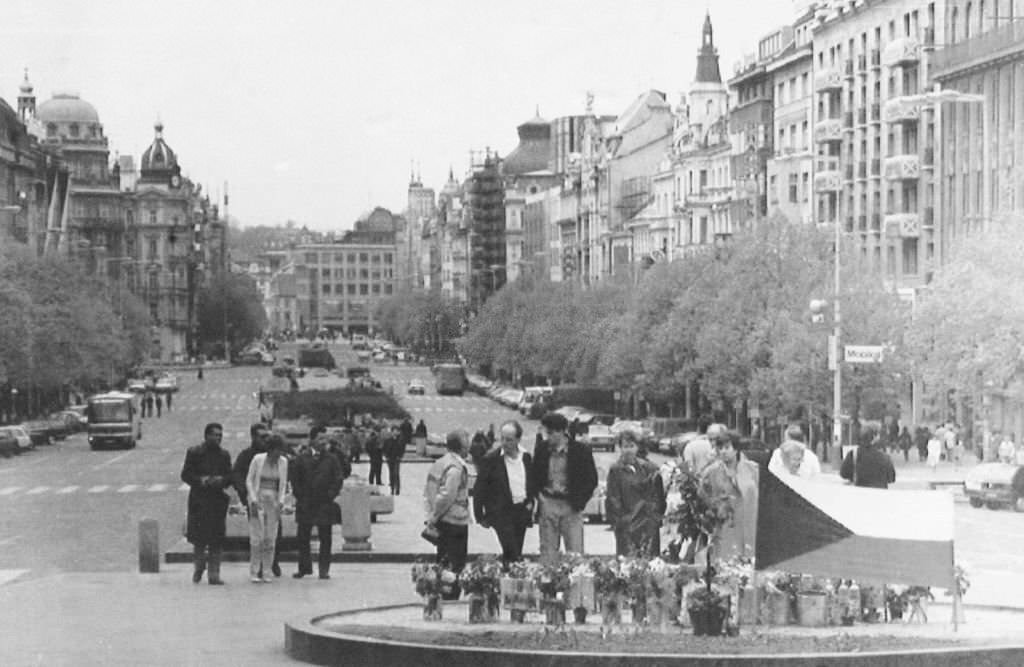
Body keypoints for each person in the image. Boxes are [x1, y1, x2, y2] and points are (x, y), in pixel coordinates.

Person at [532, 412, 598, 563]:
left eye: (550, 433)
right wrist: (539, 497)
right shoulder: (542, 449)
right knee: (548, 554)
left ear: (561, 432)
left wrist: (580, 502)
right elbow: (534, 476)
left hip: (571, 505)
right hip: (548, 503)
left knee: (575, 554)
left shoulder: (580, 451)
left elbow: (591, 479)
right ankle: (548, 584)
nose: (547, 437)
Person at [473, 421, 535, 565]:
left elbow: (531, 481)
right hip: (501, 513)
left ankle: (509, 581)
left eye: (509, 440)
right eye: (502, 439)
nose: (505, 443)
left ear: (518, 440)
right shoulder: (491, 459)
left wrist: (530, 502)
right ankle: (511, 577)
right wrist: (480, 515)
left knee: (516, 551)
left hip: (521, 511)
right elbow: (480, 488)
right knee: (511, 551)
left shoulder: (526, 457)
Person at [180, 423, 233, 585]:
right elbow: (185, 475)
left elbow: (230, 476)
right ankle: (199, 566)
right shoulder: (194, 452)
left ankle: (214, 574)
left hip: (216, 500)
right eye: (215, 435)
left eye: (220, 435)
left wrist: (221, 481)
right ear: (206, 436)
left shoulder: (224, 455)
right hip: (199, 500)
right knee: (199, 539)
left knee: (217, 539)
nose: (218, 438)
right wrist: (200, 480)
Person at [424, 431, 471, 599]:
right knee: (455, 562)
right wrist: (435, 515)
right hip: (455, 520)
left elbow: (430, 490)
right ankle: (450, 597)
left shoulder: (441, 462)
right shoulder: (456, 468)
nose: (469, 447)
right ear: (462, 447)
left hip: (444, 519)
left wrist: (432, 514)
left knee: (443, 559)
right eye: (467, 444)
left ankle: (442, 595)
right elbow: (447, 495)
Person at [290, 435, 343, 580]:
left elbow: (338, 478)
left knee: (325, 538)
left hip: (324, 503)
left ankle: (324, 569)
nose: (323, 442)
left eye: (325, 440)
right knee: (303, 537)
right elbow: (294, 479)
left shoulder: (332, 459)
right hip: (306, 502)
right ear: (312, 442)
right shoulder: (301, 458)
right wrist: (300, 495)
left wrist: (331, 494)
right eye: (320, 439)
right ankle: (304, 567)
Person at [700, 430, 759, 560]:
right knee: (725, 564)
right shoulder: (711, 472)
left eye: (727, 448)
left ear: (736, 449)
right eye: (720, 448)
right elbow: (702, 497)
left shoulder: (753, 469)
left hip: (749, 526)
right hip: (725, 527)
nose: (723, 452)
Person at [605, 431, 665, 557]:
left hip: (648, 524)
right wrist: (622, 520)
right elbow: (613, 498)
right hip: (626, 525)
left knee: (650, 563)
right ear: (620, 448)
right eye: (625, 446)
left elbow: (658, 497)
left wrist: (653, 518)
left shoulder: (650, 468)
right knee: (627, 565)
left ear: (637, 447)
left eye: (631, 446)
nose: (628, 450)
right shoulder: (615, 470)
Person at [233, 423, 282, 578]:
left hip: (272, 501)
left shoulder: (275, 455)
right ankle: (258, 566)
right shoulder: (246, 456)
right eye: (262, 437)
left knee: (274, 534)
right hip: (255, 501)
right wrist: (246, 496)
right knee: (257, 536)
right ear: (253, 437)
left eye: (267, 436)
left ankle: (273, 562)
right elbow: (238, 476)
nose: (265, 440)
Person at [245, 434, 289, 583]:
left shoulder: (283, 462)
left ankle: (267, 571)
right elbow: (249, 481)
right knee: (257, 538)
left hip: (273, 502)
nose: (278, 455)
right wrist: (253, 499)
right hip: (258, 500)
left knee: (270, 538)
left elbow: (283, 485)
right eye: (276, 451)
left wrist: (282, 501)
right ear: (270, 450)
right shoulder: (258, 459)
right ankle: (254, 571)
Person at [384, 425, 404, 495]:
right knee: (391, 474)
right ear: (392, 432)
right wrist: (386, 456)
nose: (395, 432)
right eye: (394, 431)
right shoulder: (388, 440)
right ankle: (392, 488)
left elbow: (402, 449)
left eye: (396, 431)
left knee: (396, 474)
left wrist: (400, 456)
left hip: (396, 459)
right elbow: (385, 449)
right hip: (390, 459)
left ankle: (397, 489)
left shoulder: (400, 440)